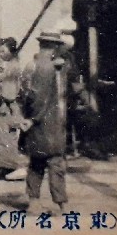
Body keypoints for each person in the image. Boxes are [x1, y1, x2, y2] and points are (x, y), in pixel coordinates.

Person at [18, 30, 71, 212]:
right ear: (55, 47)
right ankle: (61, 204)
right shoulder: (48, 67)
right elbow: (40, 98)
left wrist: (27, 118)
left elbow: (25, 96)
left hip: (37, 122)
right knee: (55, 162)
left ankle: (34, 202)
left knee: (36, 163)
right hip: (47, 123)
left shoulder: (32, 65)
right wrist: (34, 119)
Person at [0, 37, 28, 180]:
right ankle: (5, 167)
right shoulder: (8, 66)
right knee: (1, 136)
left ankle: (16, 167)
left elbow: (9, 92)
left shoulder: (13, 67)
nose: (1, 54)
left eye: (3, 51)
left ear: (11, 51)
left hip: (9, 106)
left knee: (7, 137)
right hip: (4, 105)